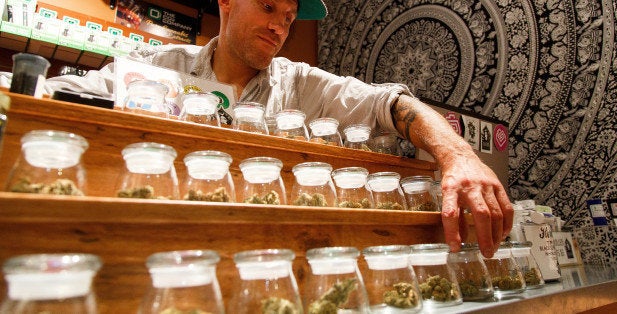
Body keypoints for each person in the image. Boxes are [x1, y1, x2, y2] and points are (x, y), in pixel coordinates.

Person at [46, 0, 512, 258]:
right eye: (268, 6)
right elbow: (57, 92)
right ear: (226, 2)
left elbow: (391, 105)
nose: (279, 27)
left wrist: (459, 157)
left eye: (288, 18)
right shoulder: (160, 65)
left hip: (268, 259)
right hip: (159, 249)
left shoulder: (302, 83)